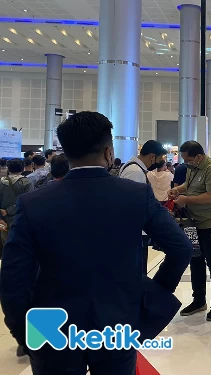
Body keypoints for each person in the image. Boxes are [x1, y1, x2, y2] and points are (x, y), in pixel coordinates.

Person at [0, 111, 192, 374]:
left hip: (52, 327)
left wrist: (25, 334)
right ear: (109, 152)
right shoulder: (135, 195)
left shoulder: (34, 202)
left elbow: (13, 278)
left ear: (65, 154)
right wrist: (152, 294)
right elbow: (180, 248)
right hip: (118, 322)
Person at [168, 141, 211, 321]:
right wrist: (177, 190)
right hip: (193, 223)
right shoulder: (192, 168)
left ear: (199, 156)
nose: (186, 162)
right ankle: (199, 300)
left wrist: (186, 200)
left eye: (188, 159)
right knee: (196, 262)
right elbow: (189, 184)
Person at [120, 140, 168, 273]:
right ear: (152, 157)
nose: (160, 162)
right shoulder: (135, 171)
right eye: (160, 158)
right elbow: (132, 203)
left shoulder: (135, 168)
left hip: (136, 230)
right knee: (138, 272)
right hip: (135, 232)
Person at [0, 158, 32, 249]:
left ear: (8, 169)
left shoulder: (1, 182)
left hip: (4, 221)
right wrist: (9, 210)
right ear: (23, 169)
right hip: (21, 220)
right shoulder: (26, 182)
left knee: (6, 246)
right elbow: (28, 203)